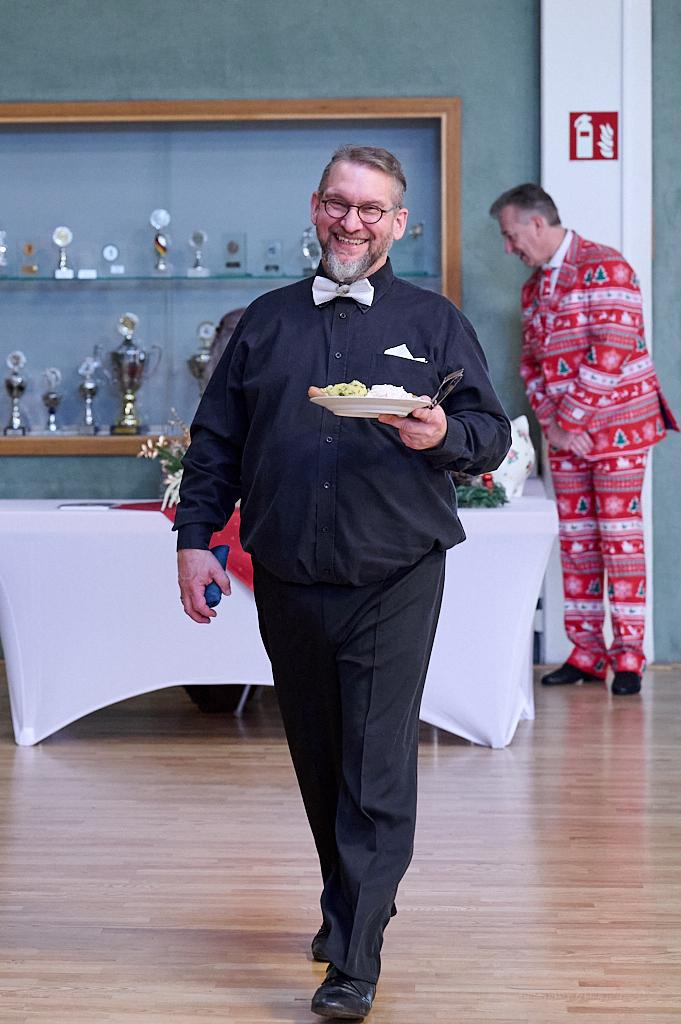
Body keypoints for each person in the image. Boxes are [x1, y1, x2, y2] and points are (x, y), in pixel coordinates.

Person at [175, 145, 511, 1019]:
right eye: (338, 204)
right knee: (320, 761)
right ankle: (350, 903)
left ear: (399, 223)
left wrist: (438, 434)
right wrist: (195, 539)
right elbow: (214, 443)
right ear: (316, 208)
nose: (351, 222)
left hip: (394, 572)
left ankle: (354, 960)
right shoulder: (263, 322)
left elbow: (488, 433)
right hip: (285, 573)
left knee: (374, 764)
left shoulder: (431, 321)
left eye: (371, 210)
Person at [489, 183, 678, 697]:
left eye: (511, 236)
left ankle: (631, 658)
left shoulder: (608, 265)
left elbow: (612, 349)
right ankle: (588, 653)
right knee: (576, 543)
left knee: (620, 540)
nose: (510, 248)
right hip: (564, 436)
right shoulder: (534, 289)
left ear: (536, 223)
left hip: (618, 431)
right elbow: (530, 363)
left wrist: (568, 421)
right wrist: (554, 423)